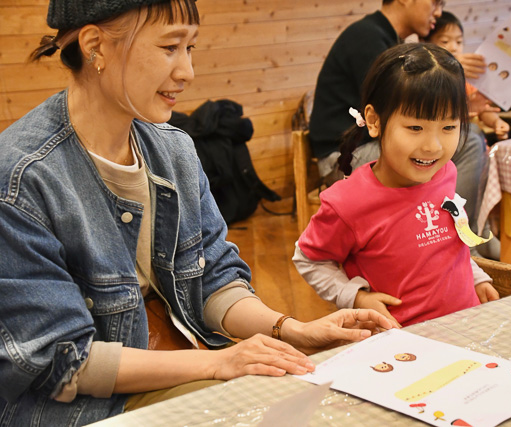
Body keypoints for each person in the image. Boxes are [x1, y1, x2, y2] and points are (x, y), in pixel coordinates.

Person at [0, 1, 394, 424]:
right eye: (170, 47)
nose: (187, 71)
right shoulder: (22, 178)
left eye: (191, 48)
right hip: (80, 407)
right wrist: (219, 362)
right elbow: (61, 362)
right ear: (95, 45)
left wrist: (294, 330)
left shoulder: (173, 149)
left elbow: (213, 278)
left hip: (176, 362)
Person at [293, 43, 499, 329]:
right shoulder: (348, 202)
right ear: (374, 121)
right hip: (401, 343)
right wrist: (356, 297)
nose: (433, 146)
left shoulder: (446, 173)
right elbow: (308, 259)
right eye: (415, 128)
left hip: (468, 328)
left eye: (449, 128)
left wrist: (475, 278)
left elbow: (450, 246)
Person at [308, 0, 493, 246]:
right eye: (435, 2)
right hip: (345, 155)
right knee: (468, 142)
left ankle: (465, 235)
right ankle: (459, 241)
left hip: (372, 144)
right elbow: (396, 109)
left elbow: (413, 113)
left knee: (467, 139)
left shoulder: (386, 38)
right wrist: (447, 69)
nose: (438, 12)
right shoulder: (367, 37)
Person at [425, 11, 510, 141]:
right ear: (425, 43)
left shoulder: (466, 78)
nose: (454, 47)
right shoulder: (425, 79)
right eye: (445, 41)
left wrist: (496, 123)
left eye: (459, 42)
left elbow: (481, 109)